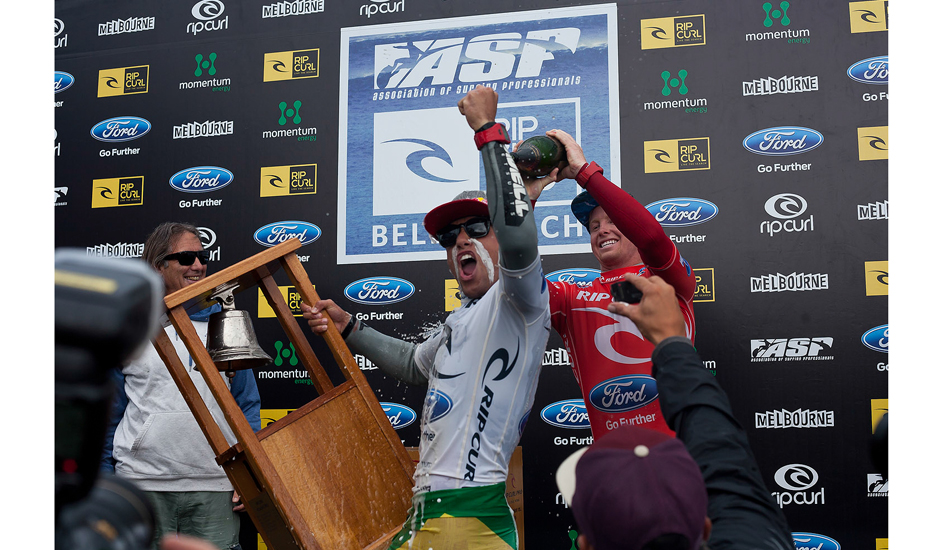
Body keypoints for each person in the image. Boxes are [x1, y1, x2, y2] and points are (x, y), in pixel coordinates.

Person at [304, 86, 550, 550]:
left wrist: (487, 132)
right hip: (425, 517)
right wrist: (351, 328)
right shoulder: (465, 317)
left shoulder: (520, 301)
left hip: (472, 521)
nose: (460, 241)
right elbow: (414, 363)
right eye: (449, 237)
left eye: (477, 228)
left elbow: (518, 236)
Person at [554, 273, 794, 550]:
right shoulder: (751, 536)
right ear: (706, 528)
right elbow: (722, 455)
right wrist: (671, 343)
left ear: (585, 546)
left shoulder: (751, 530)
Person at [524, 129, 696, 440]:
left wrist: (584, 173)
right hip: (613, 467)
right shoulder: (570, 297)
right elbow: (516, 281)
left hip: (680, 458)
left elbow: (653, 239)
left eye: (613, 221)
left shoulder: (666, 281)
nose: (602, 230)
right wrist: (526, 200)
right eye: (594, 226)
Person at [101, 222, 261, 550]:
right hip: (141, 485)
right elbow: (108, 413)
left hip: (215, 487)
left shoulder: (226, 323)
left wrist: (254, 475)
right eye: (187, 258)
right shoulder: (130, 327)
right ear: (159, 266)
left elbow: (246, 404)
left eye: (202, 257)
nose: (199, 265)